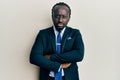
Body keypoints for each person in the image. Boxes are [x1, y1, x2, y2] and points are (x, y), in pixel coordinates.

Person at [30, 2, 84, 80]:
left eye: (64, 17)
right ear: (52, 16)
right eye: (57, 16)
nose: (60, 20)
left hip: (70, 77)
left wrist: (51, 57)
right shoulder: (43, 34)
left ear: (69, 17)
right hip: (48, 77)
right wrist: (59, 66)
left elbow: (79, 55)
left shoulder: (75, 33)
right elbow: (34, 57)